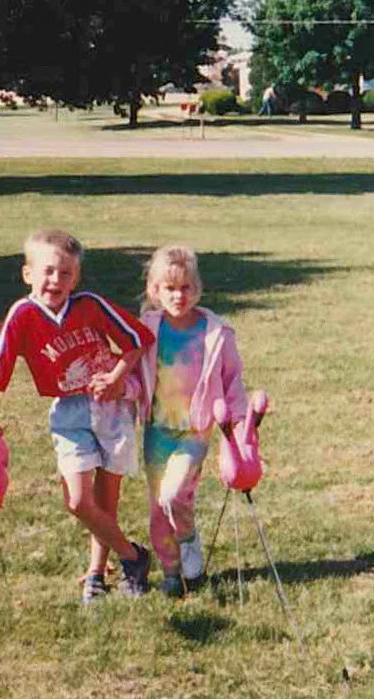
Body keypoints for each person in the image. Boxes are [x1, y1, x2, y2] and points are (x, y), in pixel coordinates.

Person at [0, 229, 155, 602]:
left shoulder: (90, 305)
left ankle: (96, 574)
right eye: (47, 271)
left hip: (111, 408)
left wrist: (115, 378)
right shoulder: (22, 315)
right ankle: (133, 556)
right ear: (28, 273)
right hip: (69, 412)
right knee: (78, 501)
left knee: (106, 502)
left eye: (65, 274)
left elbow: (136, 342)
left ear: (76, 278)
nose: (55, 281)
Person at [138, 245, 249, 597]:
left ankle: (188, 544)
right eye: (169, 288)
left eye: (185, 287)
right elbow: (134, 370)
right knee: (158, 510)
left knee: (173, 496)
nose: (178, 295)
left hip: (194, 430)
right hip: (157, 431)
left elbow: (233, 380)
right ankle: (174, 573)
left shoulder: (215, 332)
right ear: (155, 290)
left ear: (196, 288)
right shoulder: (147, 328)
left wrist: (241, 423)